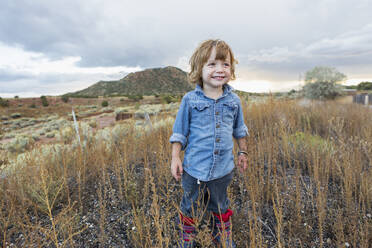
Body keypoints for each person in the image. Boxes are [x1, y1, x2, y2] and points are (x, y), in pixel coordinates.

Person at [169, 39, 249, 248]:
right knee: (190, 205)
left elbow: (239, 130)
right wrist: (175, 157)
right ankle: (188, 238)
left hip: (223, 170)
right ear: (200, 68)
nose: (219, 70)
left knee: (220, 206)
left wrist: (243, 153)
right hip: (194, 170)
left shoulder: (234, 102)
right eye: (212, 64)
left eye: (225, 64)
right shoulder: (190, 100)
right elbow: (179, 132)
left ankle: (221, 238)